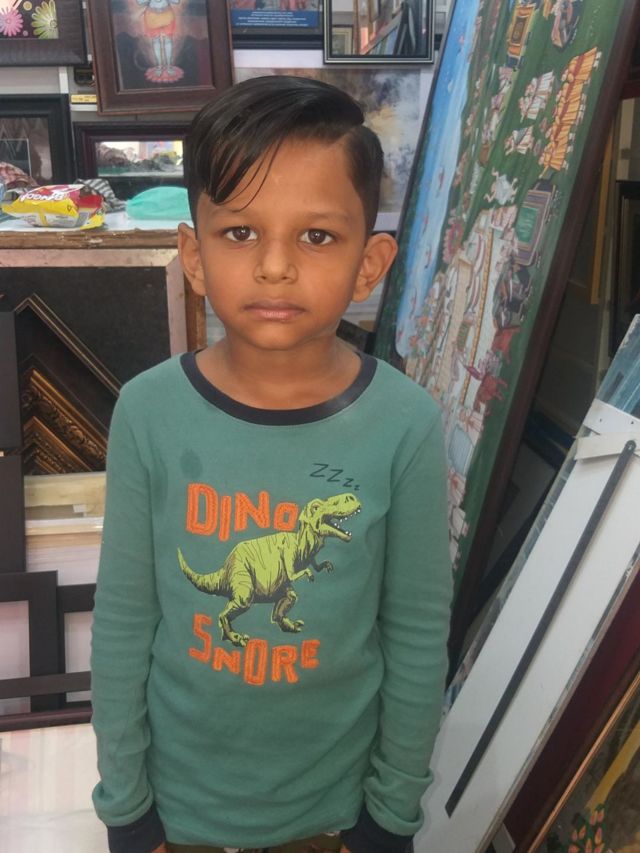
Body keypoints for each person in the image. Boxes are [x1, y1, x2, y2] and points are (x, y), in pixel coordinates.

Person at [90, 74, 452, 853]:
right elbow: (121, 623)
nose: (276, 266)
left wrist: (390, 814)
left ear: (369, 263)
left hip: (334, 816)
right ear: (194, 255)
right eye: (240, 233)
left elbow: (418, 637)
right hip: (177, 814)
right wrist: (127, 809)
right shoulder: (147, 411)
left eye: (316, 236)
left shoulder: (407, 424)